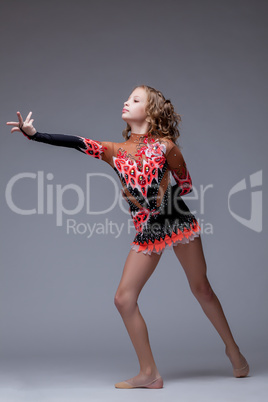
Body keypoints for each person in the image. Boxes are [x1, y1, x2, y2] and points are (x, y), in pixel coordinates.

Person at [6, 85, 249, 389]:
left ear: (150, 111)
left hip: (177, 219)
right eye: (127, 98)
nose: (126, 101)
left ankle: (233, 349)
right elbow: (78, 143)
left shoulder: (166, 146)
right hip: (148, 229)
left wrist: (157, 190)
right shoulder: (114, 151)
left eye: (135, 99)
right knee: (124, 299)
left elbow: (185, 184)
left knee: (202, 288)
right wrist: (35, 135)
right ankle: (149, 373)